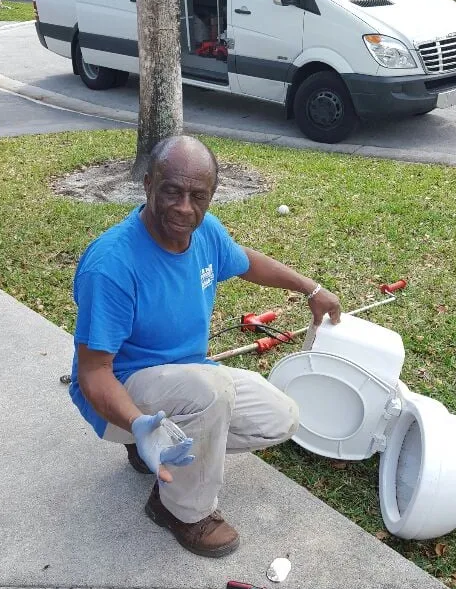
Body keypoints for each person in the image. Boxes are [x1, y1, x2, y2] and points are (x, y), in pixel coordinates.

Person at [70, 135, 341, 558]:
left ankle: (164, 448)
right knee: (209, 393)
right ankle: (181, 510)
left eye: (198, 196)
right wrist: (137, 422)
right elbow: (92, 373)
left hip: (186, 378)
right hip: (120, 396)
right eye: (171, 191)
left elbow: (245, 260)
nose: (184, 207)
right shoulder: (112, 265)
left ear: (212, 196)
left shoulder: (205, 232)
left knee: (280, 418)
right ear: (147, 184)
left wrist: (310, 288)